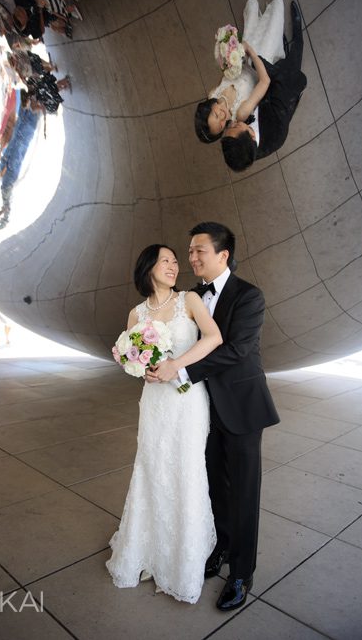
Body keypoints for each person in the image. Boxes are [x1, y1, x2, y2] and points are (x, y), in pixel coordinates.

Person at [149, 222, 280, 612]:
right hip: (201, 410)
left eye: (199, 251)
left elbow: (237, 350)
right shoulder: (188, 297)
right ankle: (220, 547)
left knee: (243, 492)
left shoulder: (248, 296)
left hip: (241, 407)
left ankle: (242, 573)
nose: (191, 258)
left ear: (223, 255)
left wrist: (181, 371)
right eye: (189, 251)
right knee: (213, 487)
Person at [106, 244, 222, 604]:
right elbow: (134, 363)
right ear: (148, 268)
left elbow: (214, 338)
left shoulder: (190, 300)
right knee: (152, 468)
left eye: (176, 261)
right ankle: (147, 547)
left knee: (185, 470)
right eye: (166, 261)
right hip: (155, 401)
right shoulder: (135, 314)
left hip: (187, 399)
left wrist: (178, 365)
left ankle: (183, 560)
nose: (174, 266)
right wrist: (143, 369)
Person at [221, 1, 307, 171]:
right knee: (291, 61)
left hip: (264, 92)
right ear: (252, 136)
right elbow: (276, 79)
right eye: (236, 126)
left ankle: (278, 44)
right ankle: (298, 32)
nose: (232, 123)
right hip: (284, 89)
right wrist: (254, 59)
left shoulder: (241, 146)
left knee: (267, 52)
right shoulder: (276, 130)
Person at [195, 0, 285, 143]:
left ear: (210, 106)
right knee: (278, 4)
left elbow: (225, 76)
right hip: (260, 64)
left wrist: (228, 58)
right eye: (222, 125)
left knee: (252, 2)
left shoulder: (213, 94)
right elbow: (264, 82)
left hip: (243, 59)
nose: (223, 117)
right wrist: (250, 51)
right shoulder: (241, 114)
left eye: (217, 115)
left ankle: (252, 30)